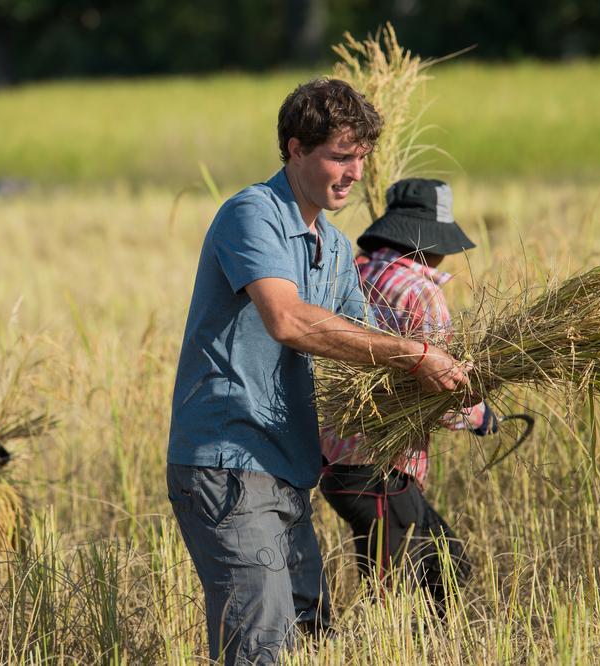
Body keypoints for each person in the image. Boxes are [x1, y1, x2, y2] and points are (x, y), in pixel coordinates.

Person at [167, 80, 473, 664]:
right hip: (228, 464)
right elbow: (287, 319)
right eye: (340, 155)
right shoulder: (249, 216)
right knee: (261, 643)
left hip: (289, 470)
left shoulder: (332, 248)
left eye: (361, 157)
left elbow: (359, 360)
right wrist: (414, 356)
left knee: (309, 634)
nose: (355, 171)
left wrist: (458, 382)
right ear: (294, 149)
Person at [320, 178, 497, 618]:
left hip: (338, 462)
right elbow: (438, 389)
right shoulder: (421, 294)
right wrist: (478, 415)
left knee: (446, 567)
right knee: (394, 600)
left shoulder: (353, 272)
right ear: (428, 242)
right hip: (379, 467)